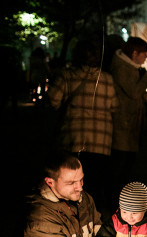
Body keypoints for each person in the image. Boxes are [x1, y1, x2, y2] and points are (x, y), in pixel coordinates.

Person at [47, 38, 120, 217]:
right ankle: (92, 223)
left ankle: (71, 221)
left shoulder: (67, 76)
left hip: (73, 139)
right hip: (101, 141)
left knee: (71, 185)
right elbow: (115, 107)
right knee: (93, 186)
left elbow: (52, 101)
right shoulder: (107, 79)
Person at [110, 37, 147, 205]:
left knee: (127, 165)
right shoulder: (121, 68)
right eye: (144, 54)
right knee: (121, 165)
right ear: (135, 53)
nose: (146, 58)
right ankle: (115, 201)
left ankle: (119, 200)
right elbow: (133, 92)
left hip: (129, 124)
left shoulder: (128, 67)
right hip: (123, 124)